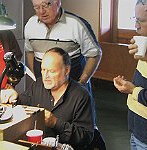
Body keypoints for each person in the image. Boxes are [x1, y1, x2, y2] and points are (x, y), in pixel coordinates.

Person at [24, 0, 105, 149]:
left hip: (73, 89)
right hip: (46, 88)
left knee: (83, 130)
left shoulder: (76, 24)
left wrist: (82, 82)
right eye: (36, 7)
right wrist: (37, 81)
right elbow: (29, 51)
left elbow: (95, 53)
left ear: (57, 2)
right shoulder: (30, 25)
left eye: (46, 5)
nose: (41, 11)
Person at [9, 47, 94, 150]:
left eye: (52, 71)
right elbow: (23, 103)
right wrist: (15, 98)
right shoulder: (38, 85)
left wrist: (54, 122)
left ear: (66, 70)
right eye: (43, 70)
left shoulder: (81, 96)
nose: (45, 76)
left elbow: (86, 136)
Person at [113, 0, 147, 149]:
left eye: (141, 21)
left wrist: (132, 90)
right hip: (136, 129)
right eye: (135, 19)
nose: (136, 26)